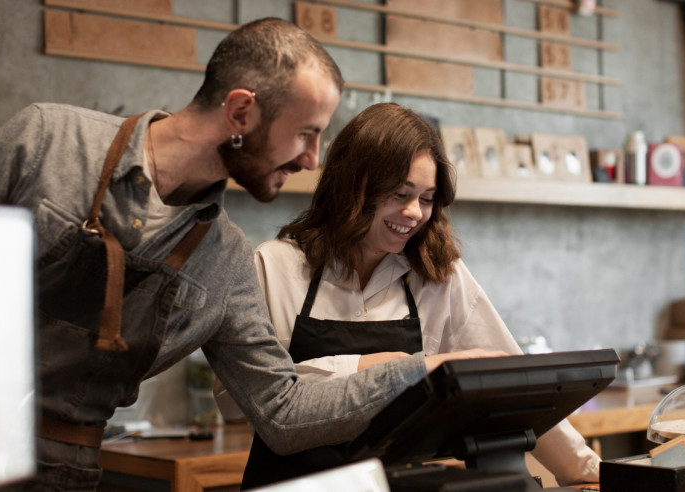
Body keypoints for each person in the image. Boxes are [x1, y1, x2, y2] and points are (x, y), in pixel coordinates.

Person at [0, 18, 500, 490]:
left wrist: (418, 371)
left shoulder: (225, 259)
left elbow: (281, 412)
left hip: (65, 470)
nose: (312, 160)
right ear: (240, 113)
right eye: (306, 134)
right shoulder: (49, 141)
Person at [214, 103, 601, 488]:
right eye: (400, 194)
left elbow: (514, 387)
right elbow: (234, 400)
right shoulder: (274, 266)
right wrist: (386, 367)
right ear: (353, 186)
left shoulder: (438, 274)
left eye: (427, 198)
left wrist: (587, 470)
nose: (414, 212)